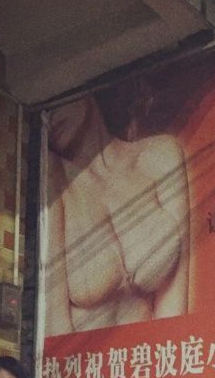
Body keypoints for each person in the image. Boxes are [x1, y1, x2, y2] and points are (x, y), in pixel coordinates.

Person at [44, 89, 191, 336]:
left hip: (151, 355)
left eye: (54, 100)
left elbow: (175, 308)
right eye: (44, 111)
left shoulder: (160, 156)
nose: (49, 117)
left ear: (84, 91)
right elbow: (55, 326)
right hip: (84, 359)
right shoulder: (52, 178)